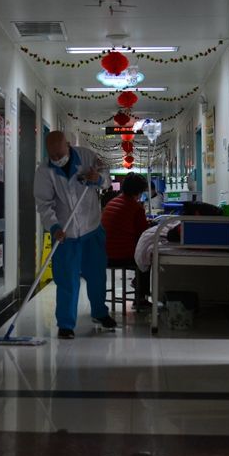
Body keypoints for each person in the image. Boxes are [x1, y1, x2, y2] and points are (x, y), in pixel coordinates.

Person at [34, 131, 116, 339]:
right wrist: (53, 227)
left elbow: (107, 180)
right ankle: (65, 324)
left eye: (60, 154)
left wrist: (98, 179)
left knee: (97, 276)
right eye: (52, 155)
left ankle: (100, 312)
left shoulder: (87, 156)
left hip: (92, 228)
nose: (56, 159)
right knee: (67, 280)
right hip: (66, 233)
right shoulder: (44, 171)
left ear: (68, 145)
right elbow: (44, 204)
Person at [101, 173, 152, 309]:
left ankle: (137, 284)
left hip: (104, 255)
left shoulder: (112, 202)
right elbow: (143, 235)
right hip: (121, 256)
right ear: (139, 191)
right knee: (147, 258)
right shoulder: (136, 208)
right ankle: (140, 297)